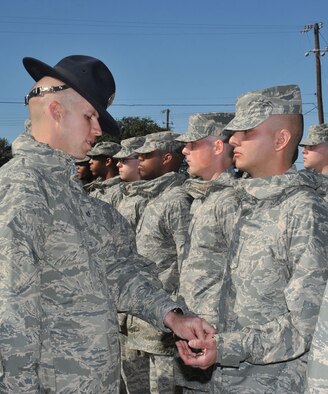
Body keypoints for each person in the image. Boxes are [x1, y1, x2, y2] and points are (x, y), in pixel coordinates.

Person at [0, 54, 215, 393]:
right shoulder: (22, 190)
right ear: (56, 112)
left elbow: (116, 271)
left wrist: (172, 316)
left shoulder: (75, 197)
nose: (98, 130)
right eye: (90, 116)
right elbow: (9, 315)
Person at [176, 84, 328, 393]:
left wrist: (229, 347)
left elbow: (307, 324)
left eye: (246, 132)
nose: (232, 139)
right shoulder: (231, 202)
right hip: (215, 378)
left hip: (271, 382)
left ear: (280, 139)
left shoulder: (304, 211)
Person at [122, 131, 191, 394]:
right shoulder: (152, 197)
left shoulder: (176, 200)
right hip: (141, 316)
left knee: (162, 387)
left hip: (164, 319)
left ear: (166, 158)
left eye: (146, 155)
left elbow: (187, 259)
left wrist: (180, 311)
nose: (139, 159)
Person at [174, 112, 238, 393]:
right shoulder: (203, 197)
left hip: (217, 337)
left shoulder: (231, 200)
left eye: (193, 143)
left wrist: (223, 339)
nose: (185, 150)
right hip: (195, 331)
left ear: (217, 146)